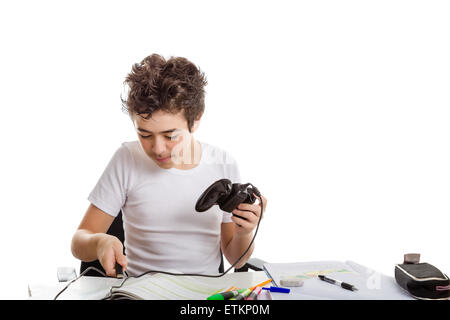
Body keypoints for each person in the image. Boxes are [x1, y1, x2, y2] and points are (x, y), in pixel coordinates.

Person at [71, 54, 268, 277]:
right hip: (141, 292)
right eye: (144, 134)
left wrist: (245, 232)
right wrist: (98, 242)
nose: (158, 148)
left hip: (203, 297)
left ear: (195, 121)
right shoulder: (127, 159)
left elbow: (235, 258)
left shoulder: (223, 164)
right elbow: (79, 241)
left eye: (170, 136)